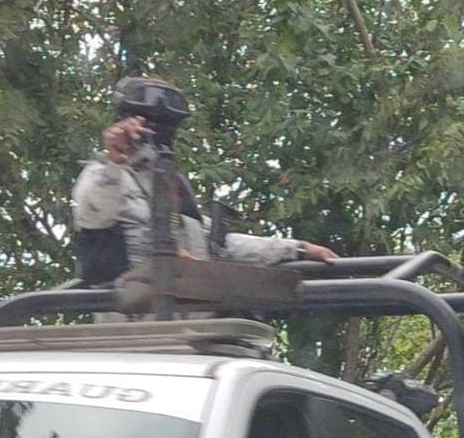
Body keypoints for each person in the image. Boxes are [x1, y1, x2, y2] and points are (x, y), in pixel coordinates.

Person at [72, 76, 337, 287]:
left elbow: (219, 245)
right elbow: (93, 214)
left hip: (195, 334)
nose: (156, 132)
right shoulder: (104, 177)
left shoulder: (174, 187)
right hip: (135, 337)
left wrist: (297, 249)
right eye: (146, 121)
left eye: (165, 125)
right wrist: (115, 160)